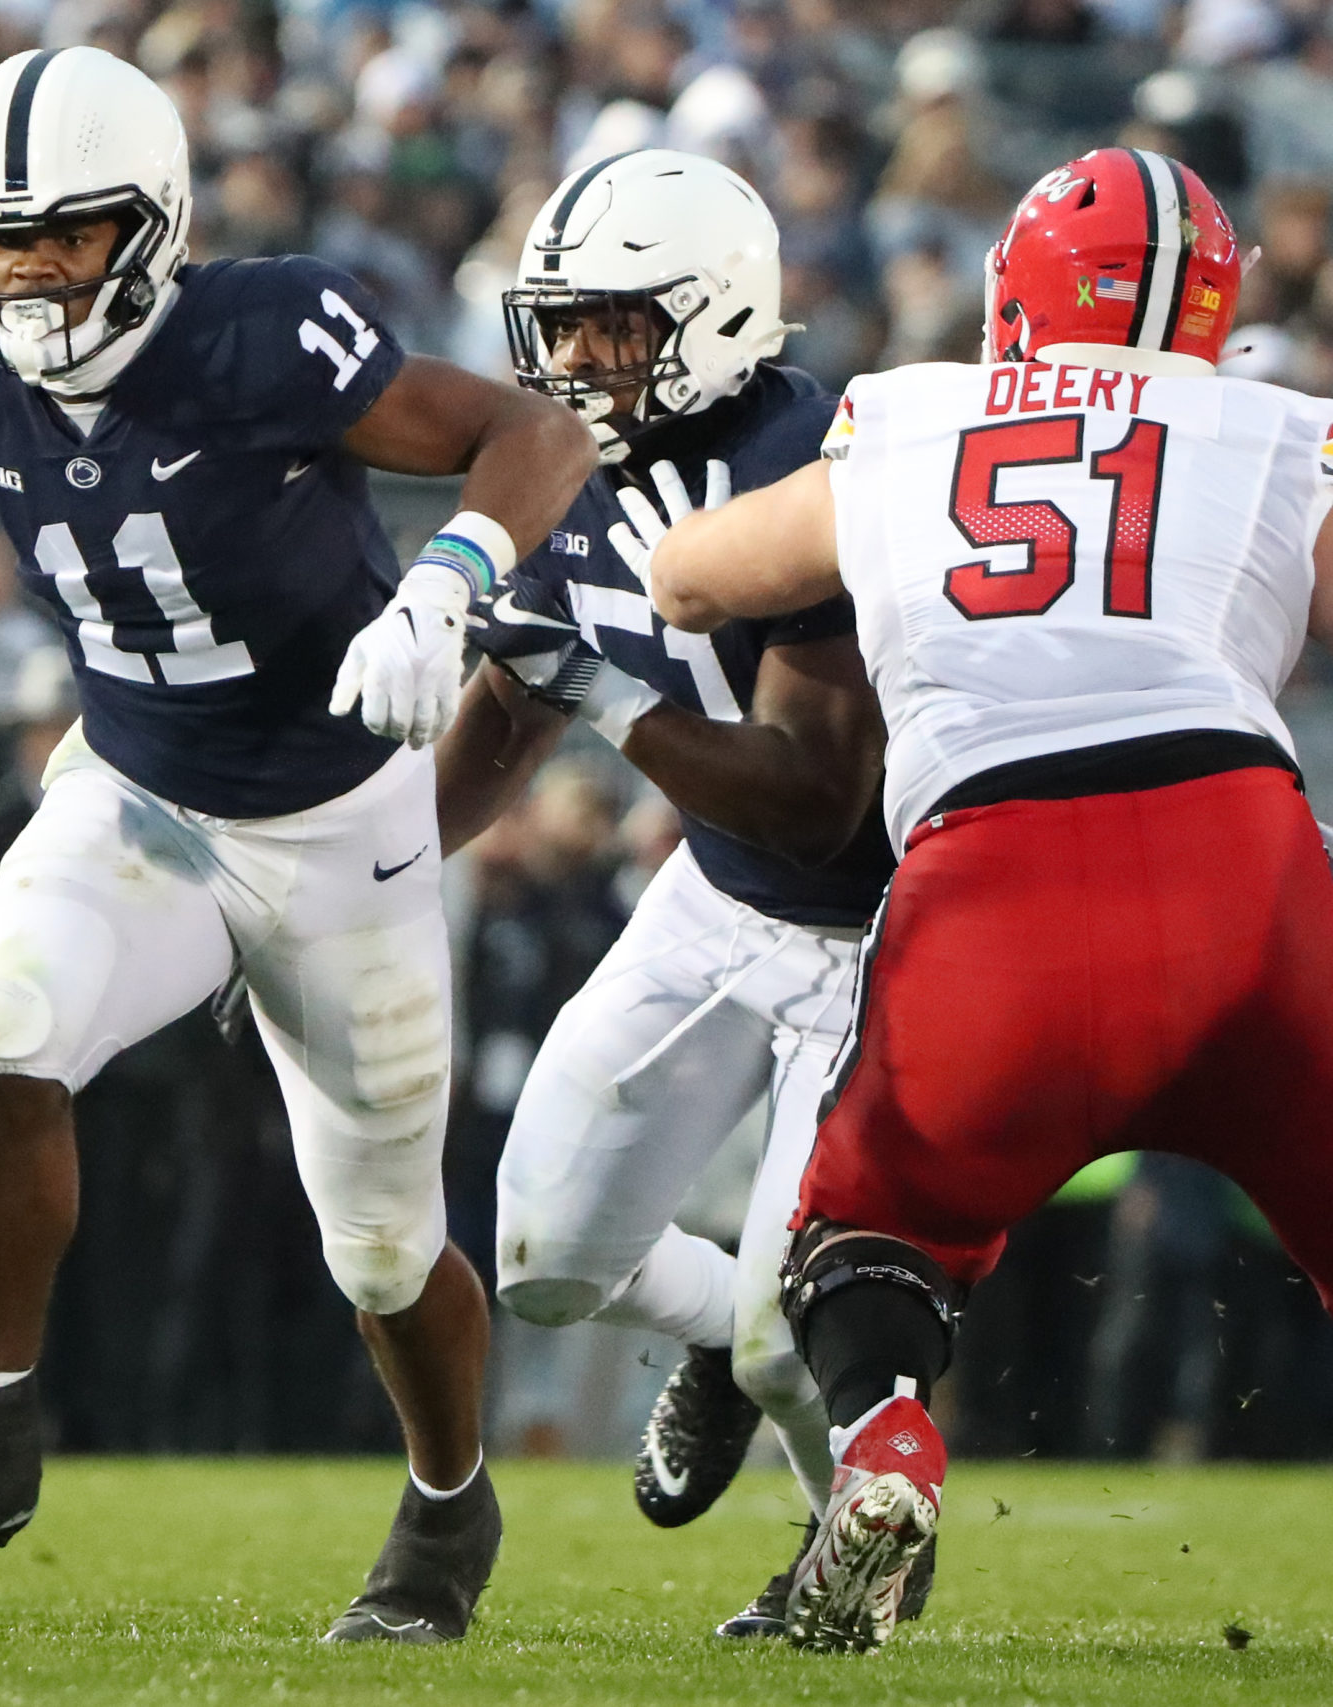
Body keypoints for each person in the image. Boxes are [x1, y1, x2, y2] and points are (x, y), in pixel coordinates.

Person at [0, 46, 597, 1644]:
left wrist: (444, 581)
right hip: (142, 793)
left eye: (68, 235)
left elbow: (534, 432)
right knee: (4, 1028)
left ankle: (449, 1505)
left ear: (156, 225)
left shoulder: (263, 334)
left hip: (342, 821)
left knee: (383, 1245)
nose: (30, 274)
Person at [646, 146, 1333, 1653]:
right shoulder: (1281, 431)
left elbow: (697, 573)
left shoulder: (906, 417)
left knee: (865, 1230)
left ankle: (888, 1444)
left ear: (1012, 293)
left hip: (997, 870)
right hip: (1246, 857)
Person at [429, 148, 901, 1639]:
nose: (574, 361)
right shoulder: (565, 458)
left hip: (881, 925)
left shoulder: (824, 458)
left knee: (789, 1338)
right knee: (547, 1257)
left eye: (613, 327)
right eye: (559, 327)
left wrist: (616, 708)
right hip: (714, 895)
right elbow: (507, 711)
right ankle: (716, 1335)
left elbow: (821, 797)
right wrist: (351, 882)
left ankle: (854, 1561)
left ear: (711, 312)